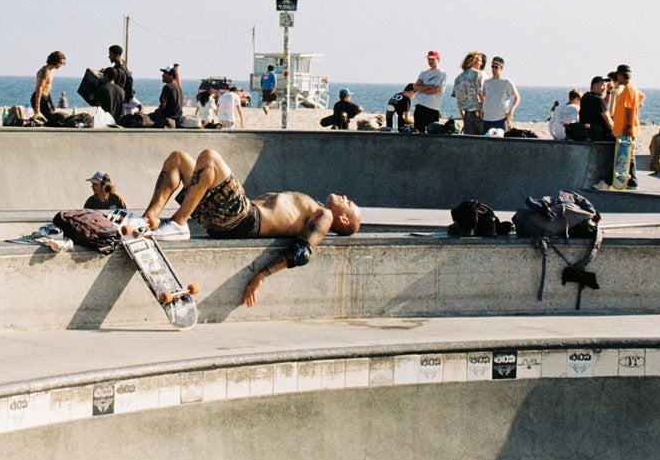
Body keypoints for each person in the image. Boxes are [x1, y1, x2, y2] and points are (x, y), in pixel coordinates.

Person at [137, 149, 360, 306]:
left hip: (245, 221)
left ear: (344, 220)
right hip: (229, 216)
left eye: (348, 203)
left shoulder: (325, 215)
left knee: (210, 157)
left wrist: (260, 276)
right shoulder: (314, 206)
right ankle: (146, 221)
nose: (344, 197)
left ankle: (178, 224)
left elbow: (301, 253)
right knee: (178, 159)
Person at [611, 64, 644, 188]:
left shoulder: (627, 89)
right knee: (628, 154)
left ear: (620, 75)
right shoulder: (633, 87)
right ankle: (631, 180)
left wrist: (628, 126)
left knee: (627, 155)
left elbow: (629, 109)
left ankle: (632, 181)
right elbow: (641, 98)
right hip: (629, 126)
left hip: (626, 127)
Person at [480, 56, 519, 134]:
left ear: (501, 68)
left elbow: (517, 97)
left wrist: (511, 111)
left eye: (496, 67)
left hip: (501, 118)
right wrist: (483, 109)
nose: (493, 69)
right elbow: (483, 96)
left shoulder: (506, 82)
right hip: (488, 118)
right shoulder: (487, 82)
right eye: (492, 66)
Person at [411, 51, 446, 132]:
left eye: (432, 59)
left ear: (438, 59)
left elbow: (435, 90)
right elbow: (415, 87)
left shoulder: (441, 73)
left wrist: (422, 88)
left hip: (432, 107)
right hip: (420, 105)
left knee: (433, 132)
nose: (430, 61)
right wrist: (428, 87)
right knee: (418, 131)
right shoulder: (423, 73)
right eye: (429, 59)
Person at [452, 52, 485, 136]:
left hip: (466, 114)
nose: (481, 63)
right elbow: (481, 94)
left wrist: (463, 116)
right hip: (478, 113)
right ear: (473, 61)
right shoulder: (477, 74)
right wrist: (484, 111)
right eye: (480, 61)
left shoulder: (458, 78)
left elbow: (459, 100)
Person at [579, 76, 616, 142]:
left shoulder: (585, 97)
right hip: (601, 136)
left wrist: (608, 92)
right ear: (595, 85)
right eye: (603, 86)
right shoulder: (598, 100)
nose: (604, 88)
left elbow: (604, 104)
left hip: (587, 133)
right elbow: (609, 122)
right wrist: (617, 131)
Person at [32, 51, 65, 121]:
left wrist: (51, 103)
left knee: (51, 118)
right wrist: (37, 106)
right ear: (56, 61)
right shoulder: (45, 71)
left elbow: (47, 90)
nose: (61, 65)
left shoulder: (49, 72)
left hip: (45, 98)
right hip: (40, 98)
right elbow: (39, 88)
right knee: (52, 120)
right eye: (61, 63)